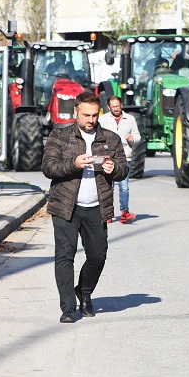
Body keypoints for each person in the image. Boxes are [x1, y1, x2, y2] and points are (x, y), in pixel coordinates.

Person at [42, 90, 128, 323]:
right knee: (65, 256)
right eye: (85, 115)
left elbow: (123, 169)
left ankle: (85, 292)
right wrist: (74, 163)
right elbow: (49, 167)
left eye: (94, 115)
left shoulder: (110, 138)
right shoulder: (59, 136)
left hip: (96, 208)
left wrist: (114, 169)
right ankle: (68, 307)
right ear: (76, 112)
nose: (90, 120)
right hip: (65, 207)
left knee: (97, 256)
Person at [98, 95, 140, 224]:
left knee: (124, 187)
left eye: (118, 106)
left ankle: (125, 212)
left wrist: (133, 139)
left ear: (121, 105)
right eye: (113, 107)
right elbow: (97, 135)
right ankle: (107, 214)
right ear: (109, 107)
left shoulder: (130, 119)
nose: (116, 109)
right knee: (108, 187)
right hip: (108, 158)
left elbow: (137, 136)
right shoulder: (103, 119)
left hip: (124, 157)